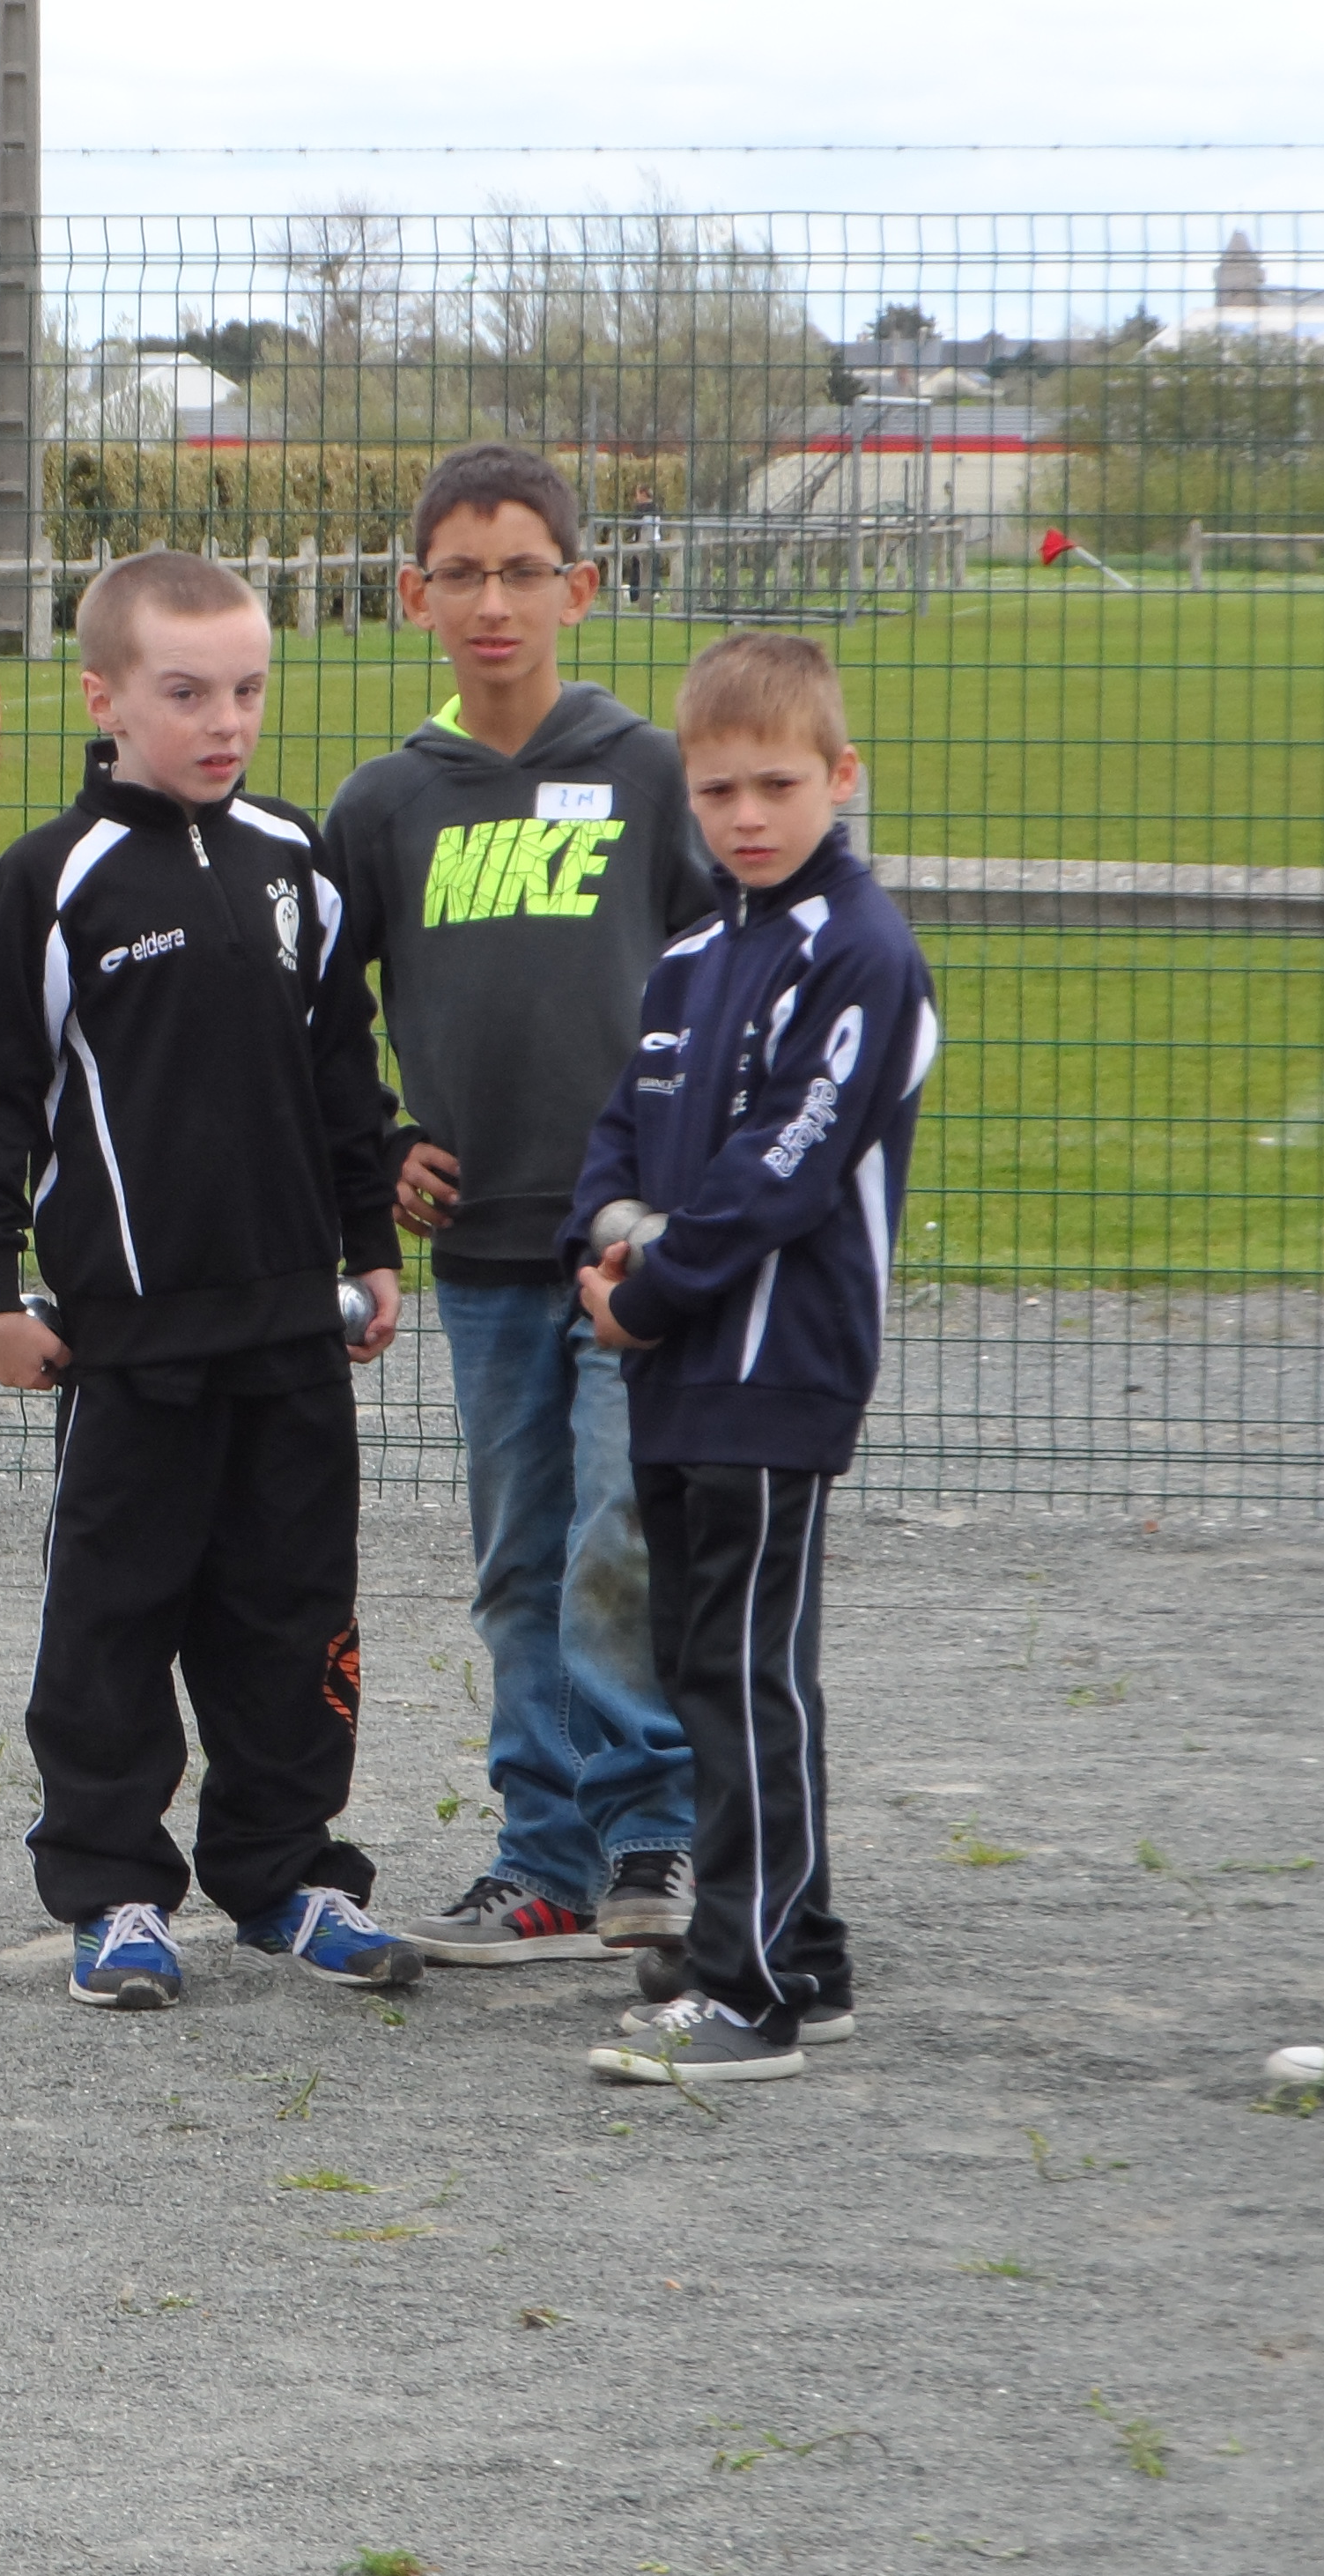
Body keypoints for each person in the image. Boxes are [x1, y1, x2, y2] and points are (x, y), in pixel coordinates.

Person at [0, 551, 422, 2014]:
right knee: (113, 1617)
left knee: (293, 1610)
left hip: (289, 1331)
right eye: (187, 692)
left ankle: (286, 1873)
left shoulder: (294, 861)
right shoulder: (54, 879)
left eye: (248, 691)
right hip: (132, 1343)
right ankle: (115, 1891)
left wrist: (370, 1245)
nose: (226, 722)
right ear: (105, 699)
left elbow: (342, 1072)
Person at [322, 444, 719, 1968]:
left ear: (581, 587)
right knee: (519, 1559)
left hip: (630, 1248)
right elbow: (317, 1014)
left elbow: (728, 979)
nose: (494, 603)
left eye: (524, 572)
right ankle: (542, 1855)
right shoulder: (387, 802)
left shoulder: (650, 774)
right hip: (484, 1254)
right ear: (412, 594)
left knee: (623, 1538)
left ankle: (651, 1836)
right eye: (462, 575)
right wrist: (380, 1146)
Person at [571, 630, 939, 2087]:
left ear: (841, 778)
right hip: (677, 1366)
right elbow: (623, 1126)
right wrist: (597, 1244)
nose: (747, 815)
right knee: (706, 1669)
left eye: (777, 785)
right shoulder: (692, 954)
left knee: (746, 1679)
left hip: (775, 1368)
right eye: (717, 789)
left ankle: (755, 1990)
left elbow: (785, 1165)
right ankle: (801, 1952)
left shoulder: (862, 951)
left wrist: (650, 1290)